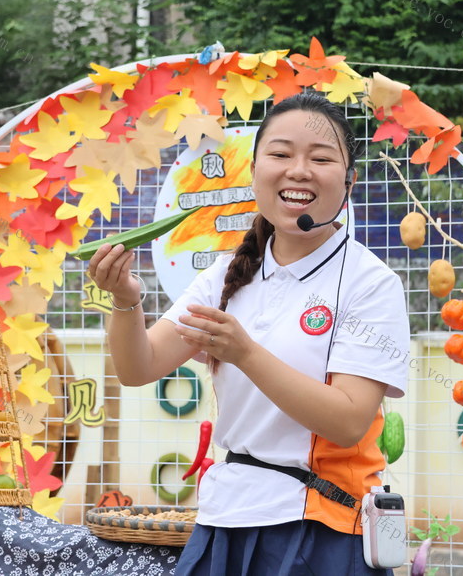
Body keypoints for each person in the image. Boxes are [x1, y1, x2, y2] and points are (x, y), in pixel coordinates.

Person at [87, 92, 410, 575]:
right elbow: (139, 368)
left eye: (321, 159)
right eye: (280, 154)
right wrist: (125, 299)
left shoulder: (370, 283)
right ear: (255, 171)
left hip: (322, 524)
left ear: (349, 181)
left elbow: (348, 422)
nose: (298, 171)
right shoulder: (223, 276)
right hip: (226, 515)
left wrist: (245, 353)